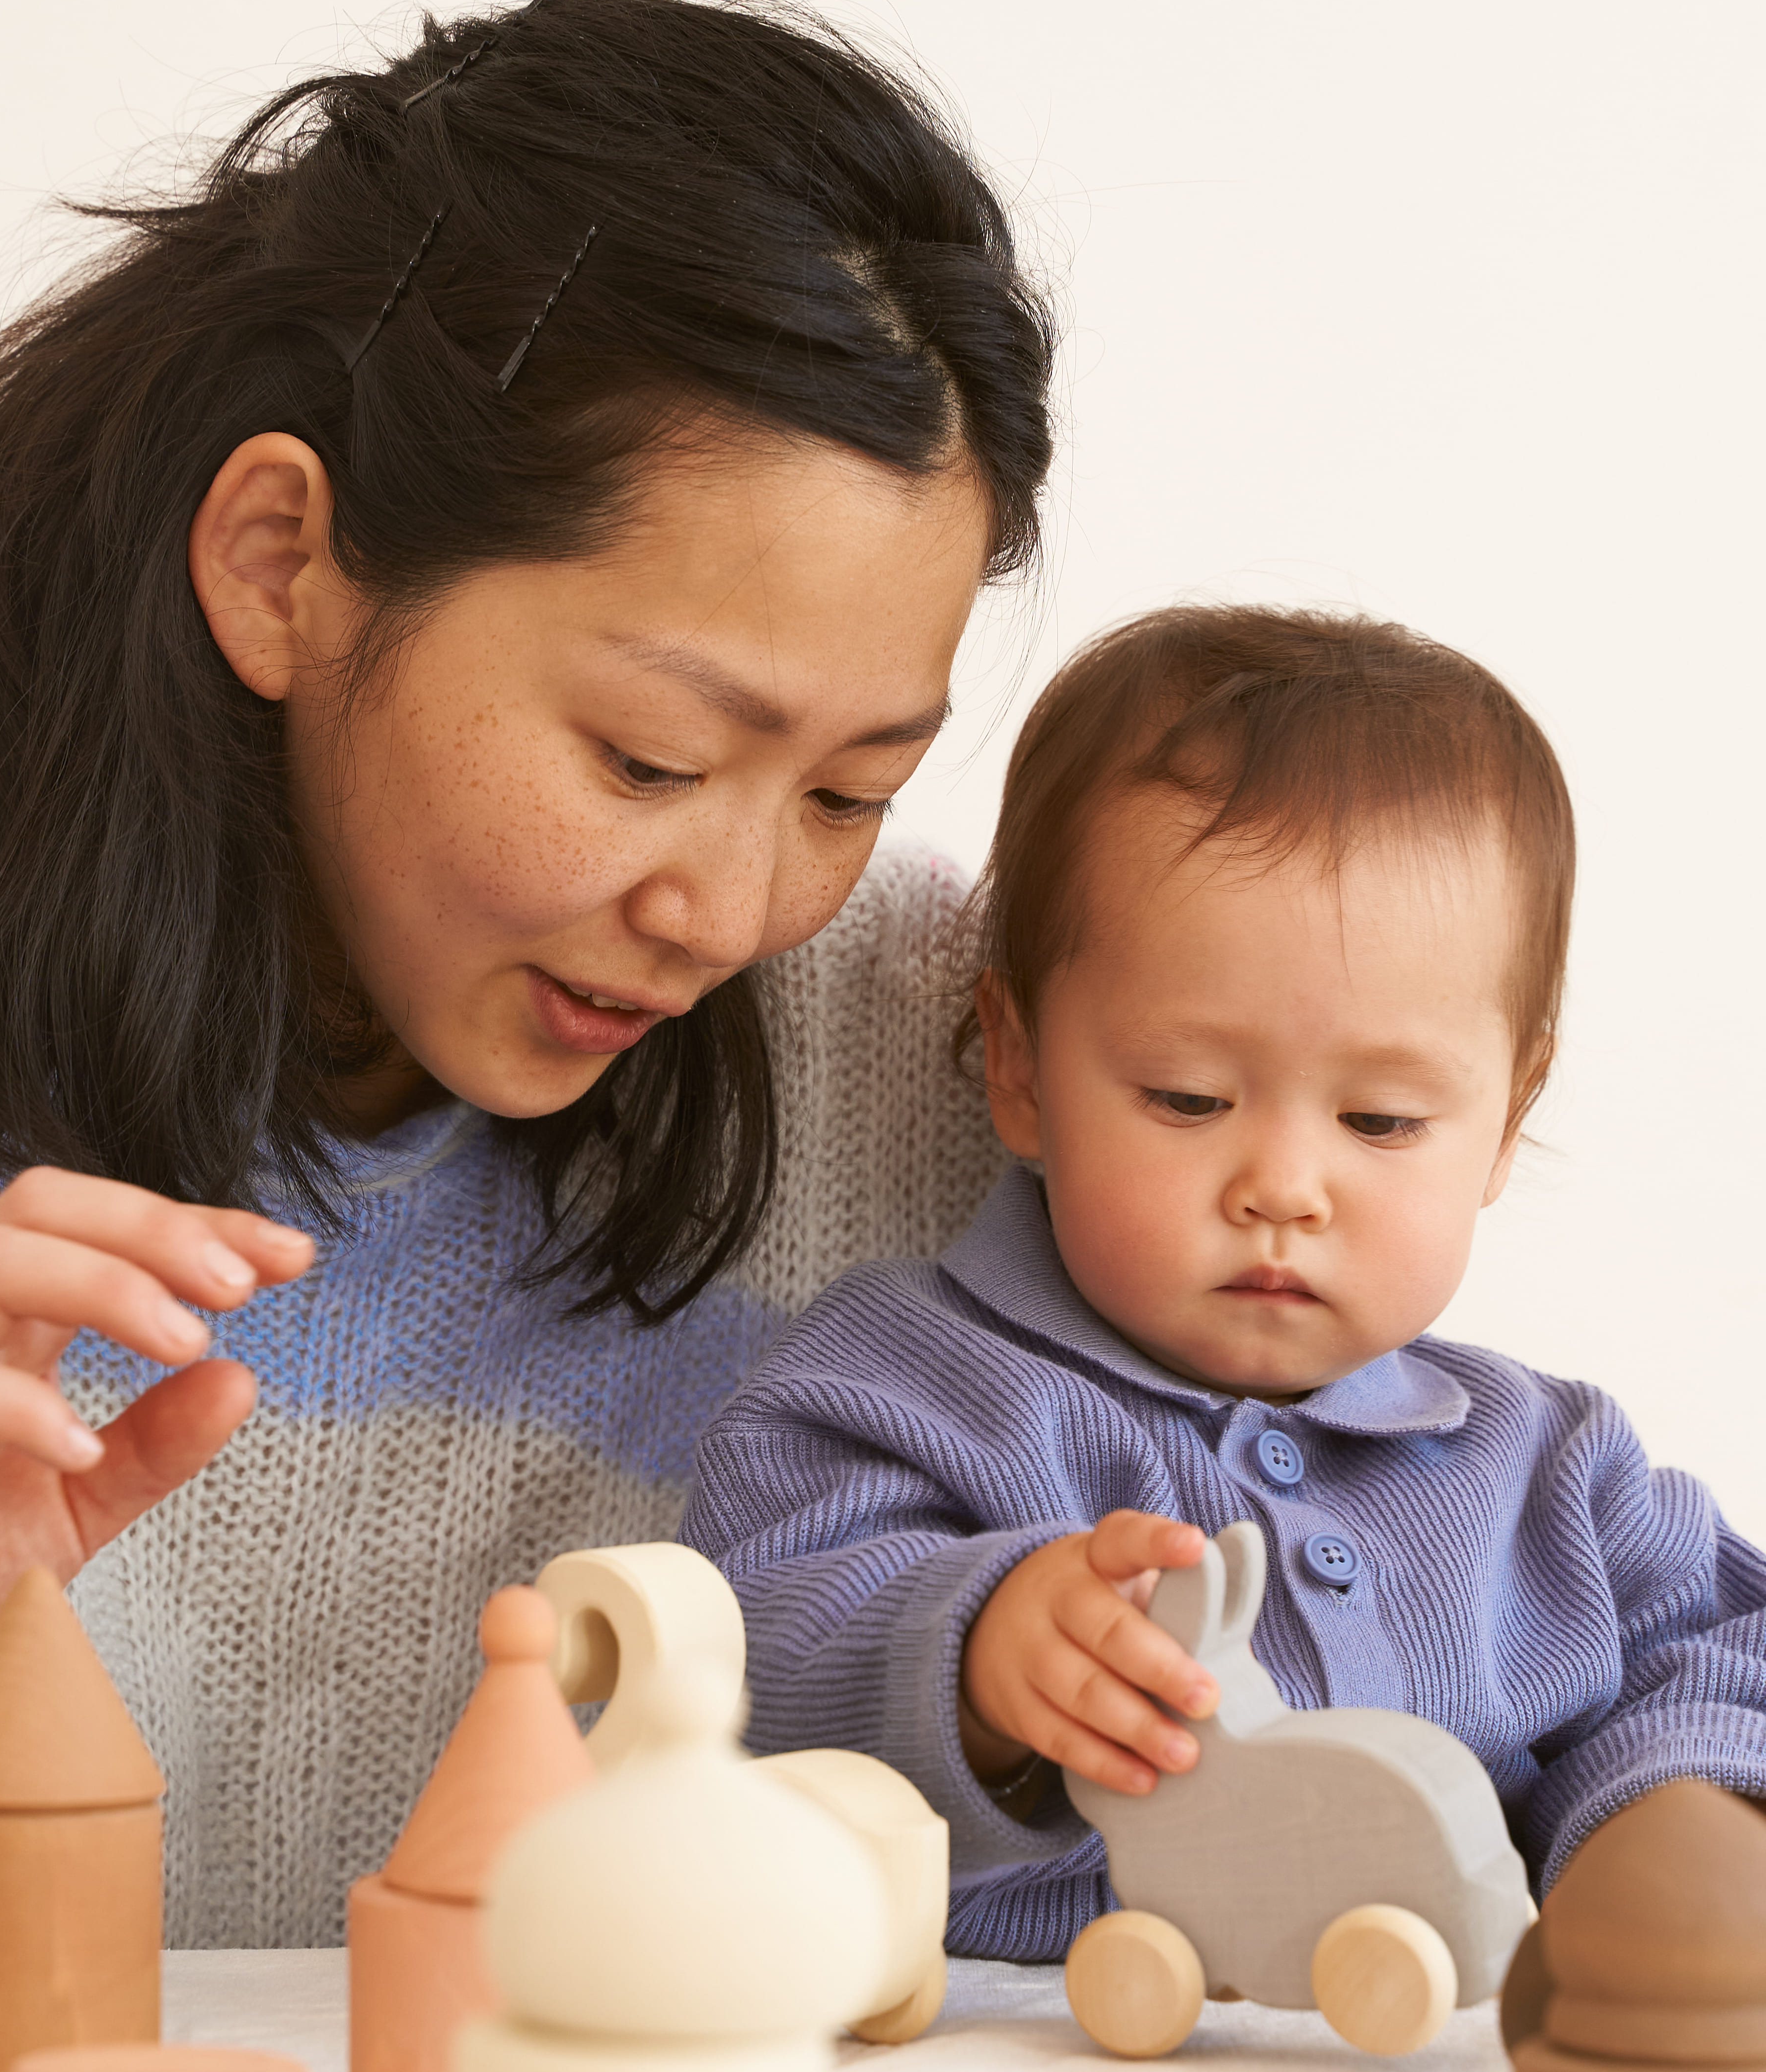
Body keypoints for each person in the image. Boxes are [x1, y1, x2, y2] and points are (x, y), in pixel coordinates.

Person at [0, 0, 1057, 1957]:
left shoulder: (956, 1063)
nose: (728, 916)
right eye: (649, 762)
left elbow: (1466, 1578)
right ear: (284, 564)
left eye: (848, 790)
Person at [686, 606, 1766, 1959]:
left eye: (1380, 1122)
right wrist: (974, 1656)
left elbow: (1735, 1653)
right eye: (1190, 1099)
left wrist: (1663, 1814)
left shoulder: (1554, 1472)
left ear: (1506, 1113)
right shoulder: (897, 1390)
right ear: (1017, 1067)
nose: (1283, 1187)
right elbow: (713, 1676)